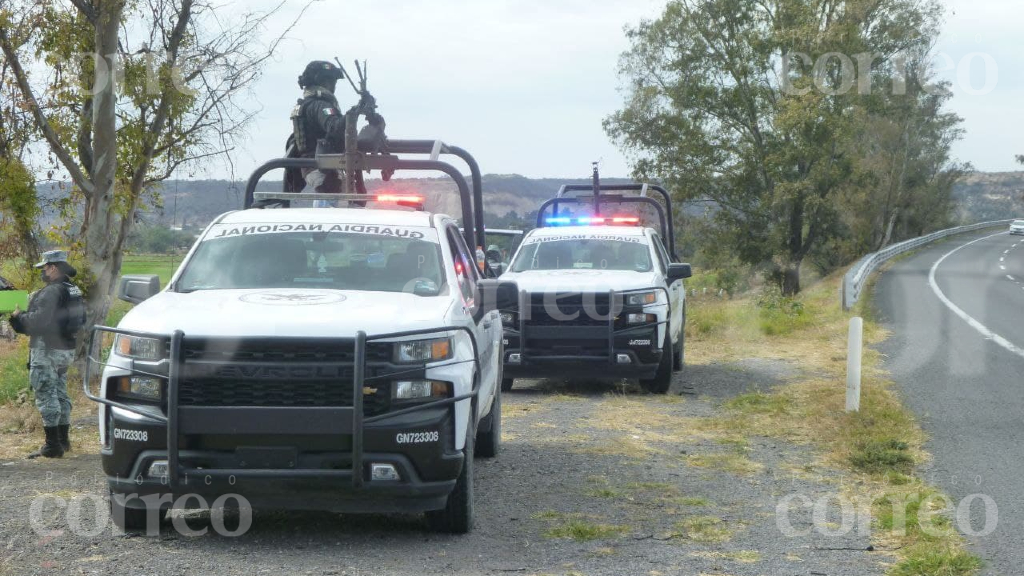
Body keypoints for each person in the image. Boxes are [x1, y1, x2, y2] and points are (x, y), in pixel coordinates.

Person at [9, 250, 81, 459]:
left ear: (54, 267)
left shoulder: (52, 291)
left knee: (46, 392)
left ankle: (52, 446)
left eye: (44, 268)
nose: (42, 272)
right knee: (60, 392)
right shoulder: (72, 288)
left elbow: (39, 321)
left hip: (47, 348)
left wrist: (18, 317)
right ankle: (63, 441)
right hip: (65, 348)